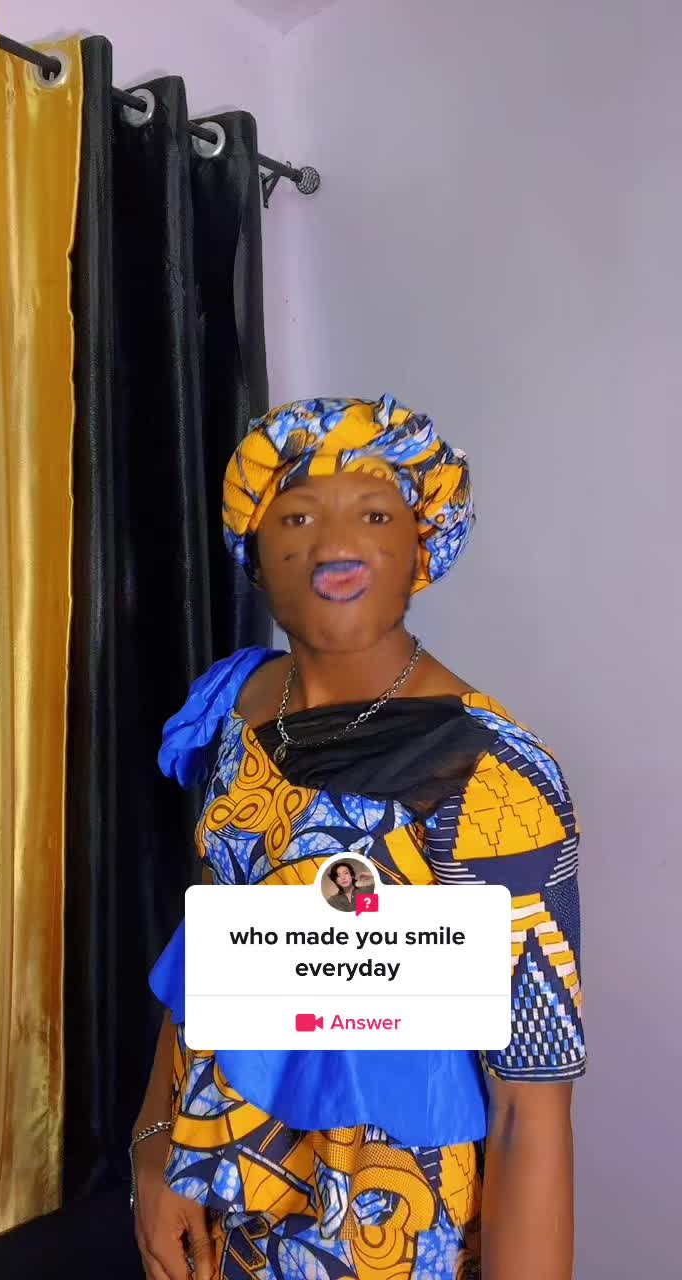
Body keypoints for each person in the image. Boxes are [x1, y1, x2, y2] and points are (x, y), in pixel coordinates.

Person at [131, 395, 585, 1280]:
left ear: (422, 544)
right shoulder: (240, 703)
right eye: (298, 517)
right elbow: (214, 945)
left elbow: (531, 1111)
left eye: (374, 515)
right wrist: (156, 1146)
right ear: (255, 550)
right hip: (225, 1202)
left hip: (385, 1230)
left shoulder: (488, 775)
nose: (335, 545)